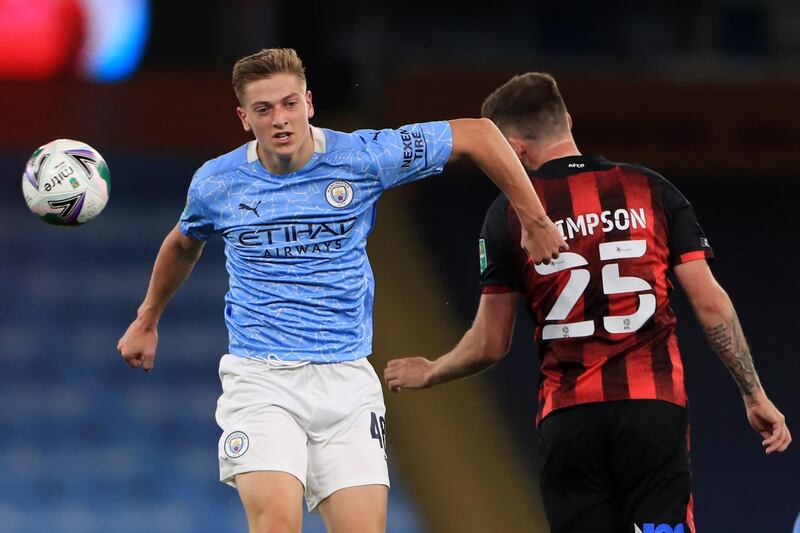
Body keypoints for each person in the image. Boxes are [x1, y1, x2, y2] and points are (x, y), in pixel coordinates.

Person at [116, 49, 567, 533]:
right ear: (243, 118)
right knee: (277, 525)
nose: (280, 119)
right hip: (262, 381)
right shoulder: (217, 183)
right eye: (263, 110)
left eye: (289, 104)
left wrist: (534, 219)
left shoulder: (362, 157)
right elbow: (184, 243)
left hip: (347, 382)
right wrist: (147, 318)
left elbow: (478, 135)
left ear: (309, 103)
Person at [383, 72, 792, 533]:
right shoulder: (650, 190)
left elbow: (491, 342)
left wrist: (434, 369)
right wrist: (752, 392)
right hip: (651, 409)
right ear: (568, 120)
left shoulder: (507, 215)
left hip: (569, 420)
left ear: (511, 151)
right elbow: (711, 303)